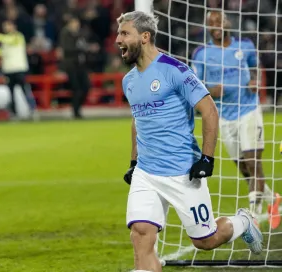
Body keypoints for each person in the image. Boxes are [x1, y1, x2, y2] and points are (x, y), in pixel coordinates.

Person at [117, 11, 263, 272]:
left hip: (182, 172)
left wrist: (207, 158)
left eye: (125, 33)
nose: (118, 39)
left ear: (145, 36)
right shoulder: (128, 81)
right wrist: (133, 161)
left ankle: (243, 222)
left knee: (205, 240)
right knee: (140, 234)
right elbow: (136, 121)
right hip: (146, 173)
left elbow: (209, 110)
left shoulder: (175, 70)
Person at [191, 11, 280, 229]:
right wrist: (211, 90)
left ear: (228, 22)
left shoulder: (245, 46)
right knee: (243, 167)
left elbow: (255, 68)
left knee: (253, 162)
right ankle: (273, 200)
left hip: (248, 110)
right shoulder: (201, 54)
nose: (216, 25)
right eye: (211, 23)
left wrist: (254, 81)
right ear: (208, 28)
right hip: (223, 115)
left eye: (219, 21)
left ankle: (253, 215)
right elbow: (195, 84)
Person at [0, 20, 38, 120]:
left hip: (19, 68)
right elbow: (5, 53)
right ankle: (14, 113)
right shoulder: (5, 40)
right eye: (5, 26)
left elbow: (11, 41)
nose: (6, 28)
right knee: (11, 93)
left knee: (25, 89)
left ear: (13, 26)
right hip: (8, 69)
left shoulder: (18, 36)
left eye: (8, 26)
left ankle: (33, 110)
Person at [58, 16, 90, 119]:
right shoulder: (65, 34)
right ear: (70, 24)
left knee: (86, 86)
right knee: (76, 88)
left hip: (81, 64)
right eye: (75, 23)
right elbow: (67, 48)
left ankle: (77, 108)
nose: (77, 26)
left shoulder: (79, 34)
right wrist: (80, 48)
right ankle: (76, 112)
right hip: (71, 65)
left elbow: (83, 46)